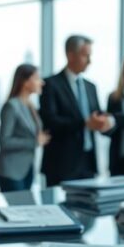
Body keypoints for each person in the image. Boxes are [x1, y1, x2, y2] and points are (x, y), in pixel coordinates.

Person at [39, 34, 113, 186]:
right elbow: (50, 121)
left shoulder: (91, 87)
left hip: (88, 163)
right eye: (85, 55)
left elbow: (97, 116)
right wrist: (84, 123)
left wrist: (105, 123)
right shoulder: (51, 84)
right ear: (70, 55)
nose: (90, 61)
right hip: (61, 164)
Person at [0, 64, 50, 192]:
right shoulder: (11, 106)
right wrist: (34, 142)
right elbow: (4, 142)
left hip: (27, 169)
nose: (42, 82)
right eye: (37, 78)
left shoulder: (30, 106)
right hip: (11, 171)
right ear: (25, 82)